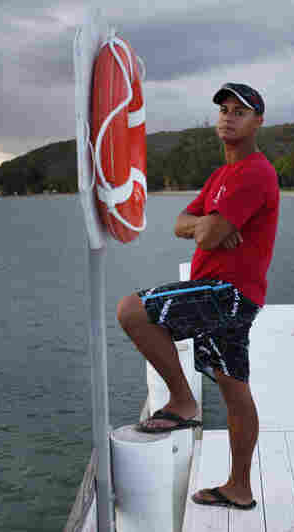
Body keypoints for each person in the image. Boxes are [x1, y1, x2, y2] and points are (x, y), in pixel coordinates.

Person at [116, 82, 279, 510]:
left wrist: (209, 227)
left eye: (240, 111)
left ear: (258, 122)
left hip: (228, 292)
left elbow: (206, 234)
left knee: (133, 310)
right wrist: (209, 224)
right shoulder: (220, 176)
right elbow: (182, 224)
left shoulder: (255, 172)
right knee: (234, 389)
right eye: (224, 110)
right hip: (230, 293)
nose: (228, 117)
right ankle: (239, 489)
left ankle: (183, 401)